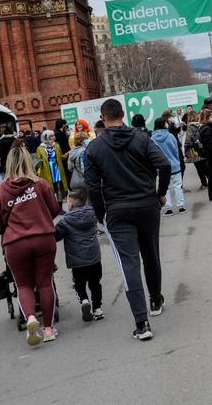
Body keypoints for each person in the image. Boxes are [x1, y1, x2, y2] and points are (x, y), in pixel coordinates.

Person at [83, 99, 175, 341]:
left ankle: (141, 322)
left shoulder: (94, 148)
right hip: (146, 204)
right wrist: (161, 193)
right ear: (123, 114)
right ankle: (155, 299)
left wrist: (102, 214)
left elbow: (92, 186)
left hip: (117, 209)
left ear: (103, 118)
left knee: (129, 263)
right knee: (150, 254)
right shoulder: (141, 138)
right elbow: (164, 165)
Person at [0, 147, 61, 346]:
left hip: (15, 243)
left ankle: (30, 317)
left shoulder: (0, 192)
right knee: (45, 283)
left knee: (23, 285)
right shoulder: (41, 185)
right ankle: (48, 328)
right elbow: (54, 209)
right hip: (43, 238)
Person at [55, 188, 104, 323]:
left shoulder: (65, 222)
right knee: (95, 283)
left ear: (70, 203)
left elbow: (56, 236)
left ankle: (84, 300)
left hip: (78, 262)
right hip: (94, 257)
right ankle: (98, 309)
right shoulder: (92, 215)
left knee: (79, 284)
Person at [151, 117, 185, 216]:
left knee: (166, 188)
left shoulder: (152, 139)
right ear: (164, 124)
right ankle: (181, 206)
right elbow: (176, 149)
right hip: (174, 164)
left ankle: (168, 208)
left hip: (161, 167)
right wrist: (177, 161)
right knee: (178, 186)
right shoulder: (170, 136)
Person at [35, 130, 68, 200]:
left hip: (57, 169)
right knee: (50, 189)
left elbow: (60, 156)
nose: (54, 137)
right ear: (47, 137)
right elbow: (39, 161)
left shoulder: (57, 145)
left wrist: (66, 155)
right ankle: (53, 205)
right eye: (52, 136)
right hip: (47, 171)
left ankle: (60, 205)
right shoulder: (40, 148)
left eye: (54, 135)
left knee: (59, 186)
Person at [182, 111, 209, 192]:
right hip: (202, 148)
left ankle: (204, 184)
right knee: (205, 166)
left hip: (194, 150)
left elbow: (188, 140)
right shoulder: (200, 124)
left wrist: (186, 150)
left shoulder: (190, 127)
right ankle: (211, 180)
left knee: (199, 167)